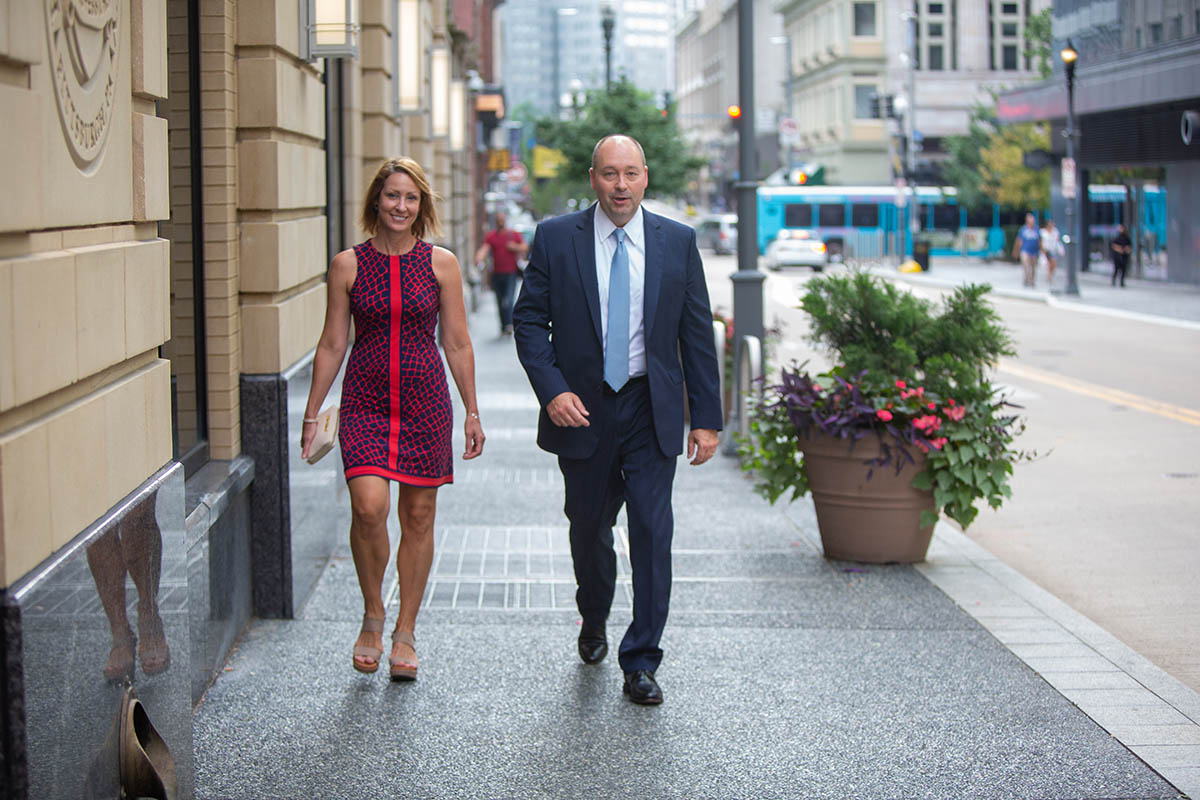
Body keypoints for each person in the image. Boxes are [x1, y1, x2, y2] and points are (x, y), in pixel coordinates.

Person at [512, 134, 723, 706]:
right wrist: (552, 391)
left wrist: (706, 418)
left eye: (630, 173)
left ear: (646, 177)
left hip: (650, 406)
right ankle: (594, 613)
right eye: (610, 174)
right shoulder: (557, 239)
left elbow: (696, 334)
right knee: (588, 529)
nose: (621, 185)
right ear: (593, 178)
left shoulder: (676, 241)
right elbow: (529, 323)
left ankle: (642, 660)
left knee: (654, 534)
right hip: (582, 410)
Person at [301, 157, 485, 681]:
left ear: (421, 206)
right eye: (392, 197)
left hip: (426, 403)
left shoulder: (441, 264)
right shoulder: (348, 265)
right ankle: (372, 613)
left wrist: (472, 411)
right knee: (368, 506)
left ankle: (404, 630)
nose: (400, 206)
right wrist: (312, 412)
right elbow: (334, 342)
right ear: (376, 203)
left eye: (410, 198)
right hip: (365, 402)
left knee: (420, 517)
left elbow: (457, 341)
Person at [474, 211, 528, 336]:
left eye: (502, 219)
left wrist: (514, 247)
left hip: (511, 273)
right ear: (496, 221)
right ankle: (503, 325)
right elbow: (485, 249)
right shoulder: (491, 236)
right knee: (499, 300)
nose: (500, 222)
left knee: (508, 299)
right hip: (496, 274)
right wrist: (479, 258)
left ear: (505, 220)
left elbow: (525, 247)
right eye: (498, 219)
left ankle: (509, 324)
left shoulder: (513, 235)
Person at [1012, 213, 1041, 287]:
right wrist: (1016, 251)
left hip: (1034, 251)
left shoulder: (1037, 229)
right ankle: (1027, 280)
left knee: (1033, 267)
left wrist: (1041, 250)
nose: (1032, 221)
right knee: (1026, 266)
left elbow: (1039, 240)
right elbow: (1019, 241)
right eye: (1030, 219)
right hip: (1025, 250)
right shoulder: (1023, 229)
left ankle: (1032, 280)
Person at [1039, 218, 1063, 290]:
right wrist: (1042, 249)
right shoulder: (1042, 232)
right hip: (1046, 250)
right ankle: (1049, 276)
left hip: (1053, 250)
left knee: (1053, 263)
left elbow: (1058, 241)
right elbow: (1040, 241)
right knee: (1050, 263)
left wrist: (1060, 249)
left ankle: (1050, 275)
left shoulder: (1055, 231)